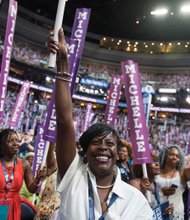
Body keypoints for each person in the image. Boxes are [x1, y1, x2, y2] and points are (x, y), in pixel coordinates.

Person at [48, 28, 152, 219]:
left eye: (110, 143)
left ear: (118, 152)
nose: (103, 148)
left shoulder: (136, 201)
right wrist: (63, 65)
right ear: (85, 151)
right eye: (96, 142)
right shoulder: (73, 176)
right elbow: (64, 121)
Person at [0, 128, 46, 220]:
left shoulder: (24, 164)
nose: (15, 144)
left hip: (14, 207)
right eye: (11, 141)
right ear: (2, 144)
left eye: (17, 140)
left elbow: (32, 189)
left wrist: (38, 179)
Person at [129, 151, 173, 217]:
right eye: (153, 161)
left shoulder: (159, 186)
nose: (157, 164)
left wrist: (168, 209)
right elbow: (129, 210)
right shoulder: (135, 184)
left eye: (158, 160)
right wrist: (142, 192)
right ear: (143, 164)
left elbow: (161, 208)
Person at [154, 145, 190, 219]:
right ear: (164, 156)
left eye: (177, 156)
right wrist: (161, 191)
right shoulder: (156, 172)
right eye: (171, 154)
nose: (174, 157)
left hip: (177, 215)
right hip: (159, 213)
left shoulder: (182, 173)